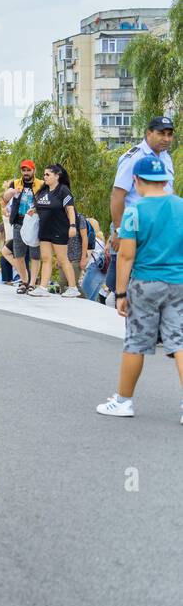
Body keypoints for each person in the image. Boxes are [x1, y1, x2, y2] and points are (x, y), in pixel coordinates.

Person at [96, 155, 183, 422]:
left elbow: (126, 256)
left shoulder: (135, 212)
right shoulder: (181, 206)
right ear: (166, 180)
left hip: (145, 283)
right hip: (178, 283)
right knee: (179, 341)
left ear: (136, 181)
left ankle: (124, 401)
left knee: (136, 343)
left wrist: (120, 293)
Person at [109, 116, 175, 297]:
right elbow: (118, 194)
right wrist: (118, 230)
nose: (167, 139)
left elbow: (170, 191)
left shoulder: (166, 158)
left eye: (170, 134)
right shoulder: (135, 156)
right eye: (161, 133)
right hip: (135, 226)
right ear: (149, 133)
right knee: (130, 279)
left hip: (161, 229)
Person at [25, 163, 80, 298]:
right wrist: (34, 210)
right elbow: (43, 206)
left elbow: (70, 209)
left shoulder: (63, 191)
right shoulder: (43, 191)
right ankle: (43, 287)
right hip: (44, 230)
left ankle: (73, 288)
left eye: (48, 174)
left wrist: (72, 226)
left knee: (62, 259)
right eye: (44, 174)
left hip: (59, 229)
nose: (45, 177)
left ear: (57, 176)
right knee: (45, 258)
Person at [5, 160, 43, 294]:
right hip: (19, 221)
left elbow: (46, 201)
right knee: (18, 255)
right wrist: (12, 192)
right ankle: (24, 281)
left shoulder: (41, 184)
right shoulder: (15, 183)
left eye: (28, 170)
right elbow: (5, 197)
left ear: (34, 170)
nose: (26, 173)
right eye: (23, 170)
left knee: (35, 255)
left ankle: (32, 283)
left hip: (34, 222)